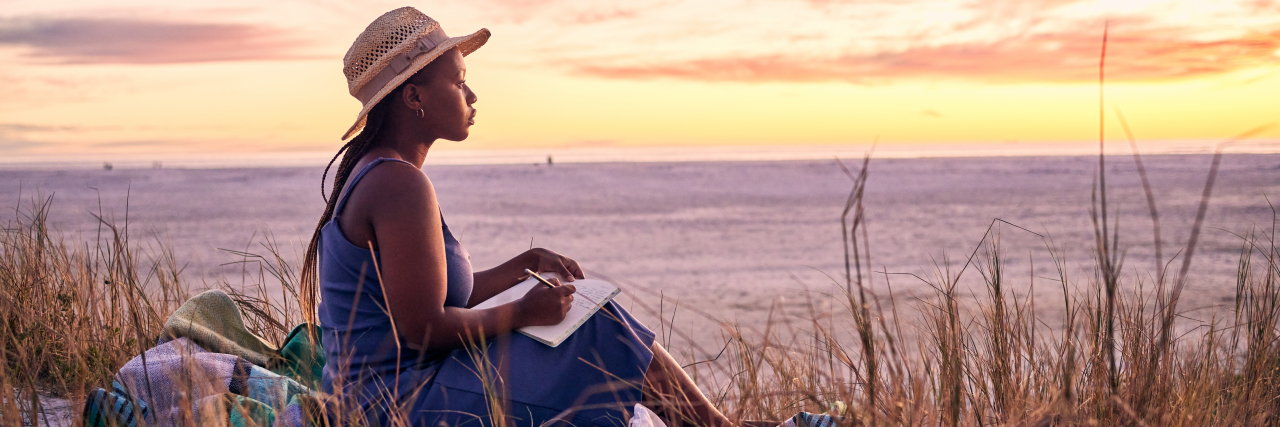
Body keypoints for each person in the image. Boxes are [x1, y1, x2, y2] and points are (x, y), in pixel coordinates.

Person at [299, 7, 738, 427]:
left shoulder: (383, 173)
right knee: (598, 328)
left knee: (592, 319)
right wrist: (524, 311)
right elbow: (424, 328)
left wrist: (522, 266)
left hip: (389, 391)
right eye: (459, 82)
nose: (472, 96)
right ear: (414, 96)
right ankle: (715, 426)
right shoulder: (398, 184)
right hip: (399, 404)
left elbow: (432, 300)